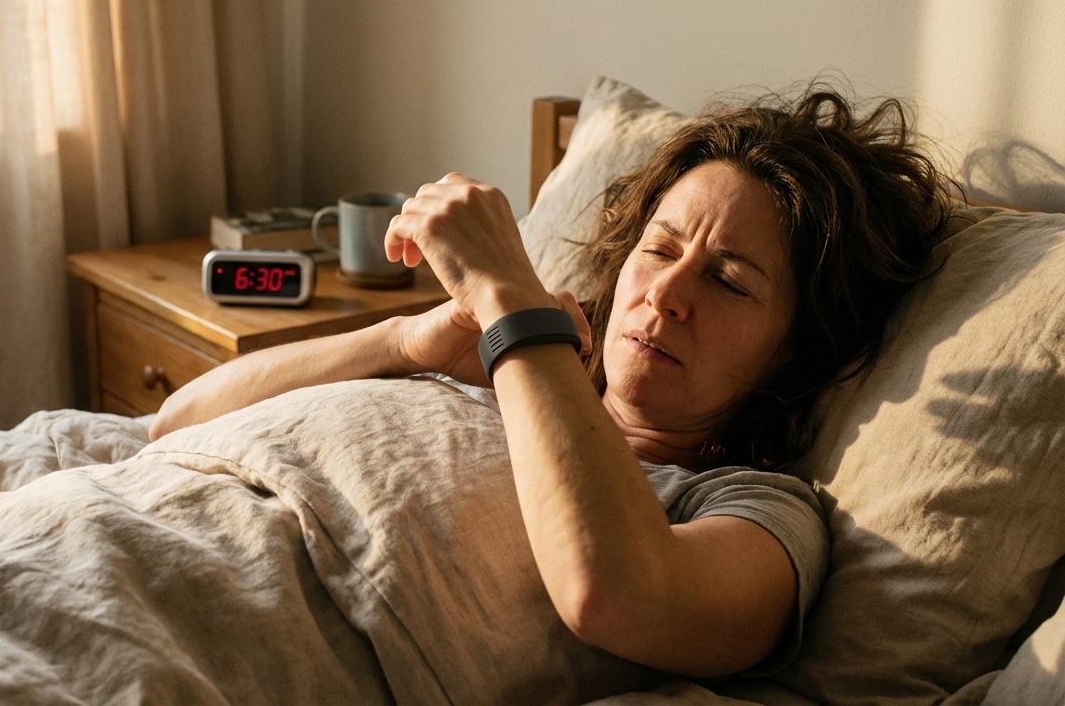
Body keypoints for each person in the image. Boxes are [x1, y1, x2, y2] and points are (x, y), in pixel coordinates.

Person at [149, 86, 952, 678]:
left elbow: (619, 596)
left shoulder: (761, 508)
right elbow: (174, 422)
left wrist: (510, 303)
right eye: (660, 249)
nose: (667, 296)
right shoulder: (497, 364)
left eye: (730, 281)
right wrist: (406, 339)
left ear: (798, 352)